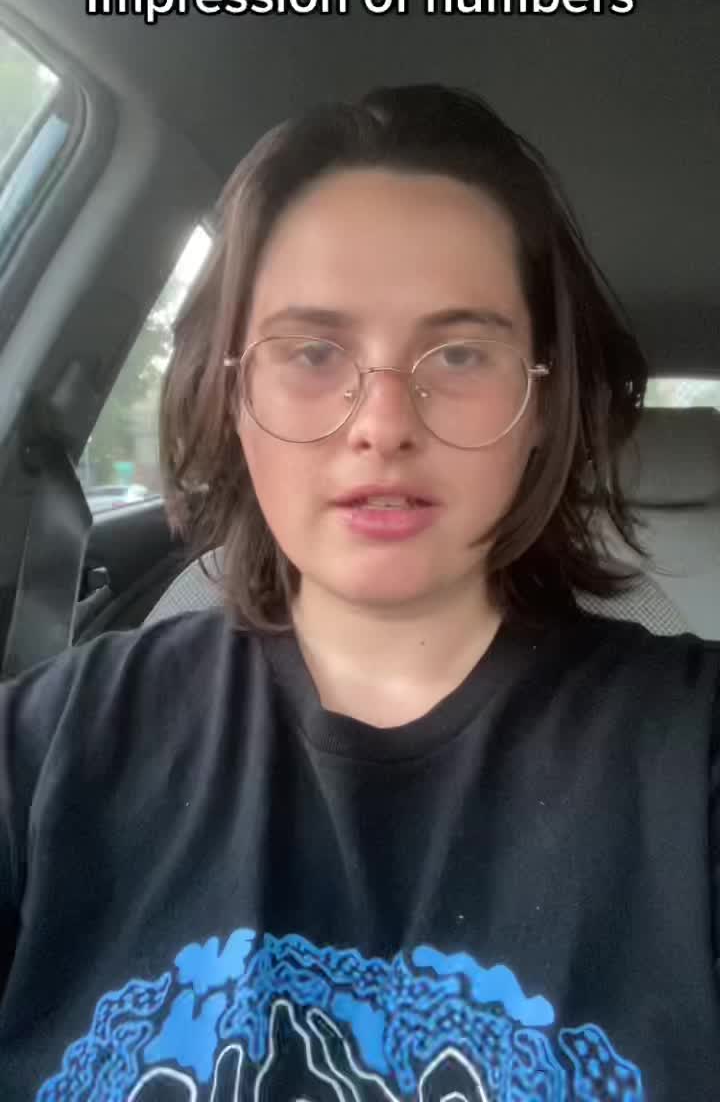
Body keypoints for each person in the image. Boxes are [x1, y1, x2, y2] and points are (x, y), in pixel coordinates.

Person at [0, 84, 717, 1099]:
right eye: (313, 352)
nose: (383, 422)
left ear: (542, 404)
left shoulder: (693, 755)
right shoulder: (47, 752)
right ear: (234, 392)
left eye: (458, 352)